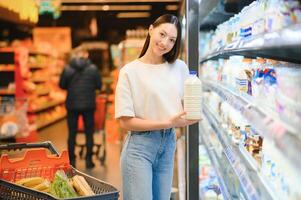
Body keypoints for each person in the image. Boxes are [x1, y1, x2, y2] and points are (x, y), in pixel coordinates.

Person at [115, 14, 199, 200]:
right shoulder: (129, 71)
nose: (164, 43)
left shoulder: (180, 68)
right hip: (139, 148)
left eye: (171, 40)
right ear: (151, 29)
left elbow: (189, 106)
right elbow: (125, 122)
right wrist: (168, 122)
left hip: (168, 144)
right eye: (162, 34)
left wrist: (193, 115)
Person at [59, 48, 101, 169]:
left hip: (72, 105)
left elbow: (62, 85)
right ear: (86, 54)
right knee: (89, 133)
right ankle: (89, 161)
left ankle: (71, 161)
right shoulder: (93, 69)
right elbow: (99, 85)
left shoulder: (67, 68)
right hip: (88, 105)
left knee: (72, 133)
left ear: (75, 55)